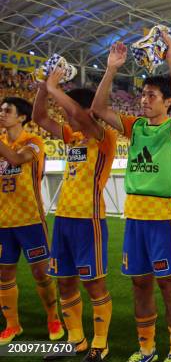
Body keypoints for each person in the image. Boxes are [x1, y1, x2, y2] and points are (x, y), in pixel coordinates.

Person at [92, 36, 171, 362]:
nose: (144, 100)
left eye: (151, 96)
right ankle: (146, 348)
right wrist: (110, 69)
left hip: (163, 217)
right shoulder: (134, 127)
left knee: (169, 287)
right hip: (134, 216)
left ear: (168, 102)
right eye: (143, 94)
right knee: (139, 285)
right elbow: (98, 109)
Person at [33, 68, 116, 361]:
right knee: (65, 281)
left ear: (86, 111)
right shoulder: (73, 136)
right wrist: (44, 88)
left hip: (88, 220)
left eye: (70, 109)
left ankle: (100, 343)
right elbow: (39, 118)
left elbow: (80, 116)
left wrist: (56, 88)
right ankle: (75, 340)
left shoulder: (102, 136)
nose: (66, 116)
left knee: (94, 283)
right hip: (64, 219)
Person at [0, 97, 63, 346]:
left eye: (7, 110)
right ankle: (12, 325)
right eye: (1, 110)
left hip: (30, 221)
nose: (2, 113)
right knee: (4, 275)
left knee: (40, 272)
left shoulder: (34, 142)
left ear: (22, 117)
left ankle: (53, 318)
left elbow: (16, 160)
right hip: (3, 224)